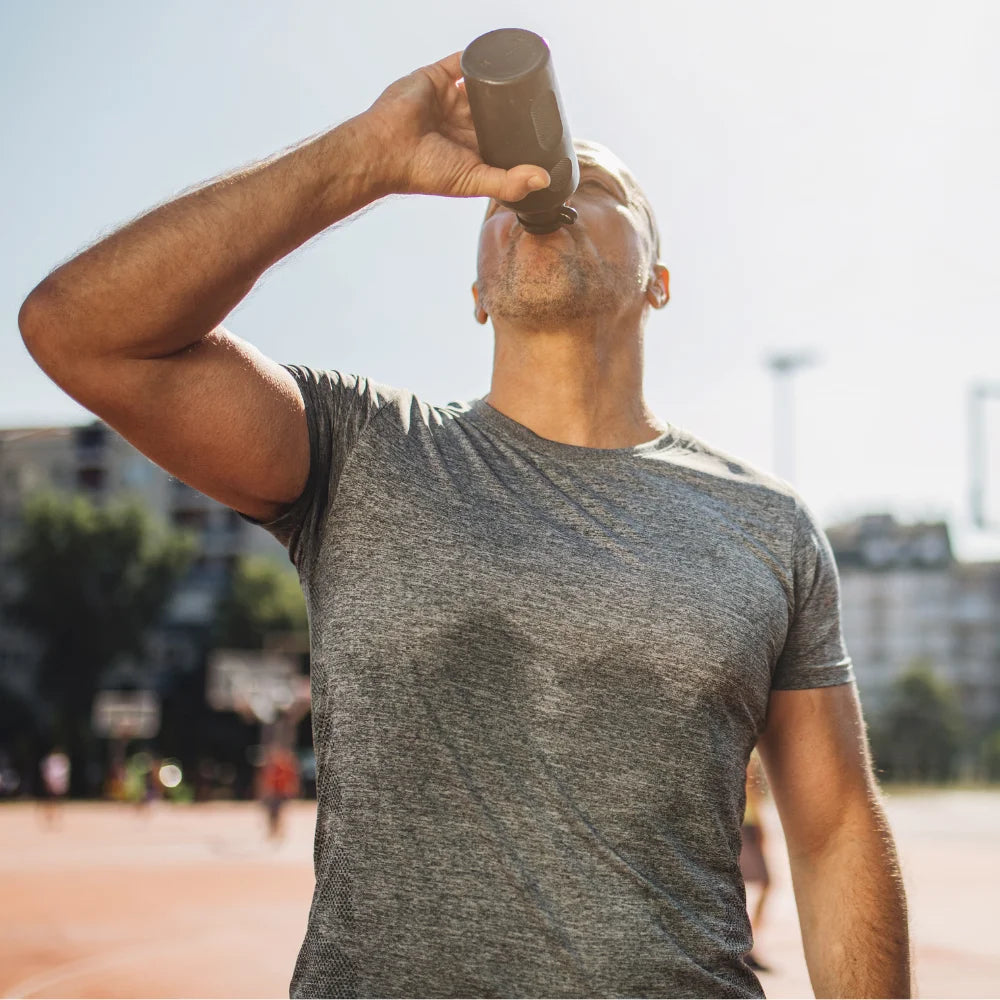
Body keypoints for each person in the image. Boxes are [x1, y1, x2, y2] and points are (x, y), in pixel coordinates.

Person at [19, 48, 912, 999]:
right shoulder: (361, 446)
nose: (536, 195)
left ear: (658, 280)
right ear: (476, 295)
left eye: (591, 185)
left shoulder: (764, 525)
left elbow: (833, 832)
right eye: (497, 204)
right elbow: (79, 331)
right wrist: (361, 158)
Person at [739, 750, 772, 973]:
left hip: (751, 828)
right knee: (746, 887)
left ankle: (749, 943)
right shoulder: (744, 758)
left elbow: (756, 800)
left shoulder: (753, 757)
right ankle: (746, 947)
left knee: (765, 884)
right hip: (742, 828)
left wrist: (762, 830)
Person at [256, 743, 301, 841]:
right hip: (273, 794)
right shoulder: (270, 769)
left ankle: (278, 831)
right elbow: (265, 782)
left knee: (278, 813)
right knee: (272, 813)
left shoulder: (283, 768)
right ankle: (273, 831)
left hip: (280, 794)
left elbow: (290, 780)